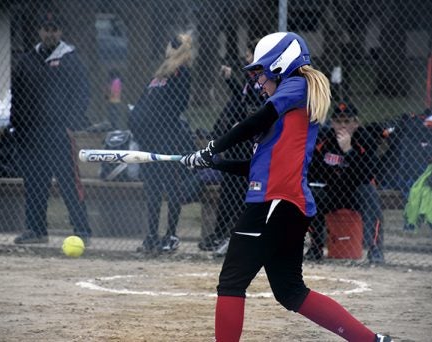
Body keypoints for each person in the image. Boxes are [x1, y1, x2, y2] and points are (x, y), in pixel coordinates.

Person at [182, 32, 392, 342]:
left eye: (261, 73)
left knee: (232, 280)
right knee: (291, 292)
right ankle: (371, 341)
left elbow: (254, 120)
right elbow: (255, 168)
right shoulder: (284, 116)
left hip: (275, 203)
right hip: (283, 203)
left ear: (281, 65)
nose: (258, 82)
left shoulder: (298, 84)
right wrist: (212, 162)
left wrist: (213, 147)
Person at [11, 13, 92, 245]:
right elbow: (17, 96)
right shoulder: (27, 60)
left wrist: (70, 124)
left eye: (54, 29)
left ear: (61, 32)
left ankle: (82, 230)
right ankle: (36, 231)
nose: (50, 33)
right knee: (35, 182)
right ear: (39, 31)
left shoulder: (70, 59)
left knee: (68, 182)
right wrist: (17, 126)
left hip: (59, 133)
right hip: (31, 134)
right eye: (46, 29)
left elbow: (82, 94)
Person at [129, 33, 195, 253]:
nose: (170, 47)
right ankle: (151, 236)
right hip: (149, 139)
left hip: (168, 138)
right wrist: (136, 122)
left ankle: (171, 234)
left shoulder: (182, 72)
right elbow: (144, 101)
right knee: (153, 189)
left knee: (171, 186)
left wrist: (155, 121)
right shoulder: (159, 73)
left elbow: (179, 104)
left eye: (175, 44)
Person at [198, 40, 264, 255]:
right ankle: (220, 233)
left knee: (239, 190)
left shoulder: (264, 79)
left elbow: (256, 106)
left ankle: (232, 234)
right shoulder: (249, 79)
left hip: (253, 143)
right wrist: (230, 81)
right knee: (229, 188)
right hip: (240, 142)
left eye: (250, 55)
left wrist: (241, 123)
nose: (246, 58)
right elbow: (240, 100)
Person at [305, 103, 385, 263]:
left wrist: (348, 150)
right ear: (332, 122)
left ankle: (375, 250)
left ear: (356, 123)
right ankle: (315, 247)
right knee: (309, 195)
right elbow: (313, 171)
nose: (342, 125)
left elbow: (367, 174)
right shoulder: (324, 139)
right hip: (332, 191)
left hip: (356, 192)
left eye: (347, 121)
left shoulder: (365, 139)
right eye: (338, 121)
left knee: (370, 195)